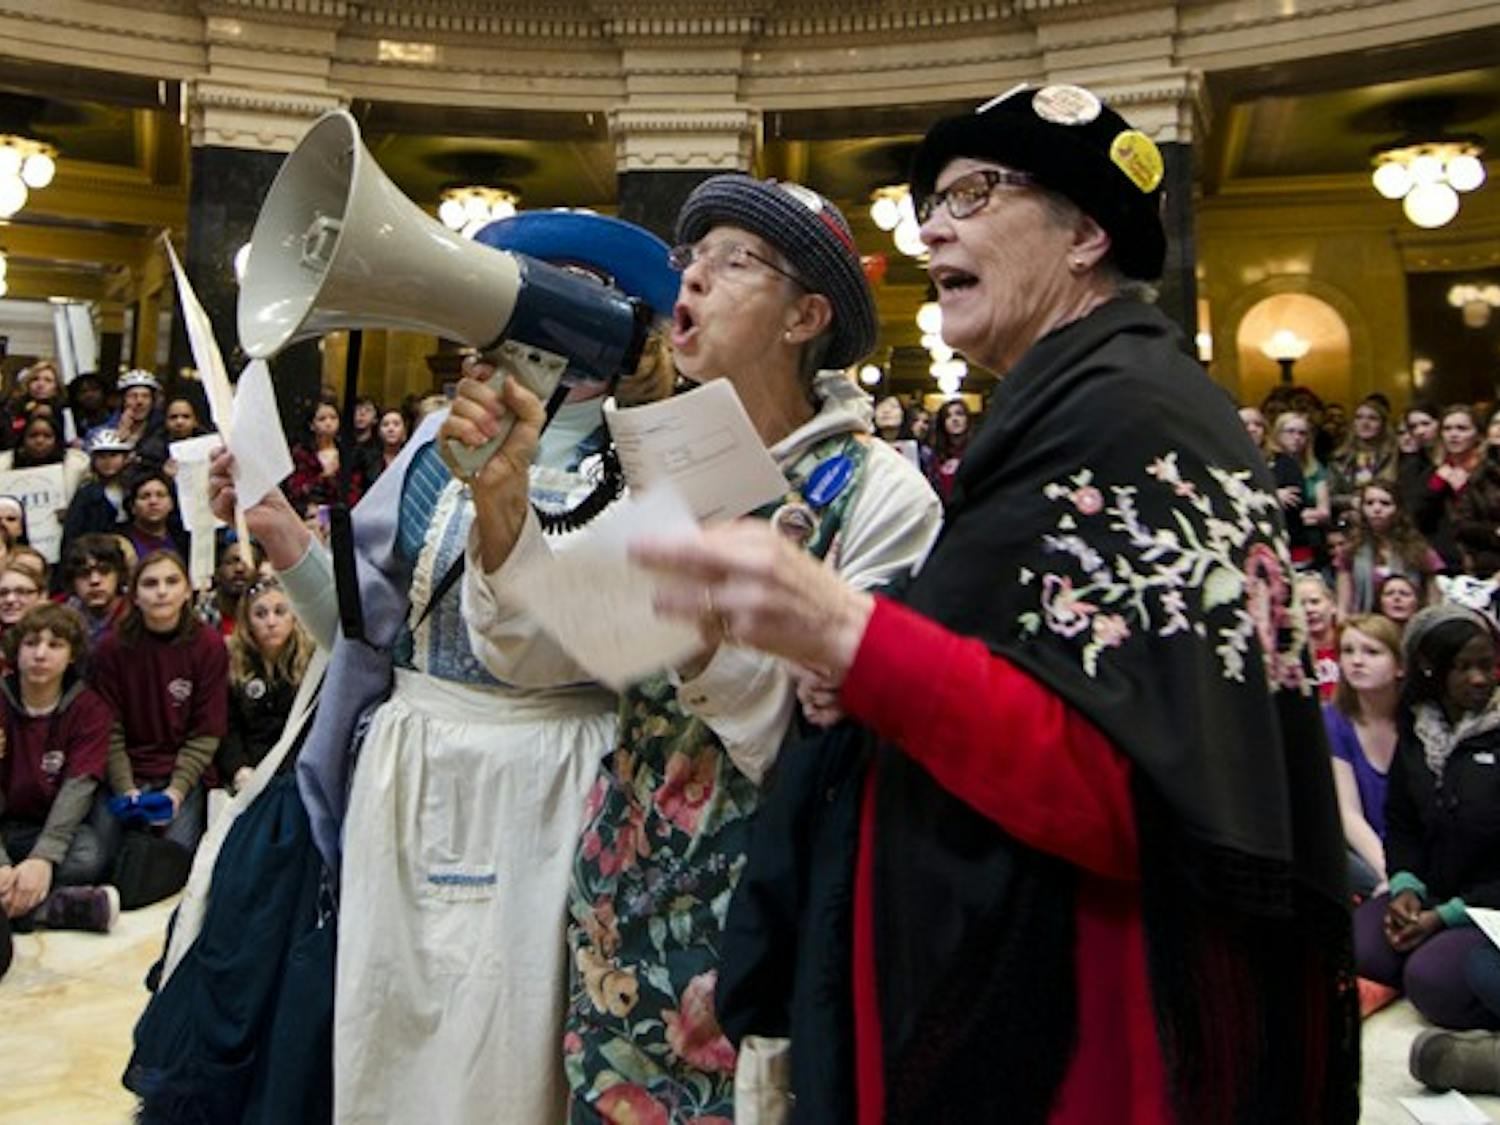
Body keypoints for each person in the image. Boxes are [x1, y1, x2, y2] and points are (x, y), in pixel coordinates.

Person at [634, 85, 1358, 1122]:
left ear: (1089, 232)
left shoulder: (1129, 424)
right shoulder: (1066, 411)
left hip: (1095, 1040)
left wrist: (848, 629)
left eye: (974, 195)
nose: (930, 225)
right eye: (932, 199)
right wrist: (864, 666)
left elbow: (1118, 791)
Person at [447, 177, 941, 1120]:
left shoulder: (881, 496)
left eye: (734, 262)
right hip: (623, 905)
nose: (693, 280)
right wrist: (504, 504)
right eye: (690, 261)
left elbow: (838, 752)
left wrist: (709, 640)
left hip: (767, 919)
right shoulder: (660, 469)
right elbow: (539, 657)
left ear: (806, 315)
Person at [197, 211, 685, 1124]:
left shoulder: (655, 463)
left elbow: (626, 648)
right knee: (396, 1018)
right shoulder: (431, 446)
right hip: (412, 769)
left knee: (508, 1035)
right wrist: (278, 531)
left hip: (551, 782)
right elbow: (363, 631)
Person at [1353, 604, 1500, 1031]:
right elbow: (1401, 824)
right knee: (1362, 949)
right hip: (1433, 892)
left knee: (1430, 981)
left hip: (1488, 906)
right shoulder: (1417, 732)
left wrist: (1448, 916)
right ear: (1431, 669)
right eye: (1462, 667)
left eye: (1486, 666)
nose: (1478, 678)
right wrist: (1405, 888)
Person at [90, 550, 228, 859]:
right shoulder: (111, 649)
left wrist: (176, 792)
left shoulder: (209, 646)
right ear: (135, 595)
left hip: (180, 774)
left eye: (171, 581)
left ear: (187, 591)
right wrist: (126, 789)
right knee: (98, 856)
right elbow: (108, 730)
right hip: (125, 772)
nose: (162, 591)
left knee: (174, 855)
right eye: (150, 583)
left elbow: (207, 732)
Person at [0, 603, 119, 936]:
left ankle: (16, 906)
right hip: (6, 825)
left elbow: (77, 788)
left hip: (54, 826)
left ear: (71, 655)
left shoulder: (90, 709)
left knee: (90, 855)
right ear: (15, 649)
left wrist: (43, 859)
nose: (40, 654)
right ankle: (53, 909)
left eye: (54, 645)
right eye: (31, 643)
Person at [1324, 613, 1402, 898]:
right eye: (1347, 651)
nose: (1356, 661)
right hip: (1363, 853)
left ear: (1400, 666)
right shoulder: (1332, 721)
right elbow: (1349, 815)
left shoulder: (1419, 719)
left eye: (1372, 652)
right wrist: (1392, 875)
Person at [216, 576, 313, 794]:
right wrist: (238, 769)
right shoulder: (231, 664)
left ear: (294, 616)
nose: (271, 622)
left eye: (280, 612)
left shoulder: (311, 665)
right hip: (248, 778)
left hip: (298, 776)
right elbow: (227, 727)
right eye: (260, 614)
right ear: (248, 620)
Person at [1335, 480, 1441, 616]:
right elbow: (1343, 607)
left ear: (1398, 509)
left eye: (1385, 503)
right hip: (1365, 624)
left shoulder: (1419, 550)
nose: (1377, 509)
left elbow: (1434, 602)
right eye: (1369, 503)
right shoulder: (1350, 550)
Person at [1417, 404, 1484, 569]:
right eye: (1447, 429)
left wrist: (1464, 490)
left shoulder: (1490, 470)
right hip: (1448, 559)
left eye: (1462, 428)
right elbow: (1417, 515)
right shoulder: (1433, 472)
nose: (1453, 434)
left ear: (1477, 434)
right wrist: (1438, 483)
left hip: (1488, 556)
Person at [285, 398, 365, 518]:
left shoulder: (349, 453)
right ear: (312, 425)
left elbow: (355, 489)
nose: (328, 423)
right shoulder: (302, 454)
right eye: (322, 419)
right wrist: (322, 477)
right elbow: (295, 490)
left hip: (341, 514)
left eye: (333, 418)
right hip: (308, 513)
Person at [60, 428, 134, 558]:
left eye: (113, 455)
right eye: (101, 456)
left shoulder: (132, 489)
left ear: (125, 458)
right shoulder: (86, 494)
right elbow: (72, 534)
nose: (107, 461)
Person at [1271, 410, 1330, 570]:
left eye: (1302, 433)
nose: (1297, 437)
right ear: (1277, 433)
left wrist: (1300, 516)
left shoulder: (1315, 467)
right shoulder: (1268, 463)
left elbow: (1324, 512)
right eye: (1290, 431)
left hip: (1308, 539)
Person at [1329, 395, 1398, 511]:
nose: (1364, 423)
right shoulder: (1340, 457)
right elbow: (1329, 496)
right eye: (1359, 418)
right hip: (1349, 519)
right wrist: (1351, 501)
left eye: (1372, 418)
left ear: (1383, 424)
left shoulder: (1394, 455)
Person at [62, 533, 130, 646]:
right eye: (83, 573)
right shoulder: (60, 616)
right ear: (72, 580)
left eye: (104, 571)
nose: (94, 581)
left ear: (119, 575)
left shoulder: (137, 617)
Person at [195, 533, 264, 637]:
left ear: (258, 573)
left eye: (248, 562)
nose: (240, 569)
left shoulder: (268, 609)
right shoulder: (202, 611)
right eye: (230, 562)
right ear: (217, 571)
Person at [119, 469, 189, 562]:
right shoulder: (120, 542)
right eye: (145, 496)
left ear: (171, 504)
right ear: (133, 507)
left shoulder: (184, 540)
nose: (153, 501)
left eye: (160, 495)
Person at [1299, 571, 1342, 702]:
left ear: (1333, 605)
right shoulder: (1292, 657)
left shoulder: (1349, 644)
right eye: (1301, 604)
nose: (1309, 610)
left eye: (1315, 601)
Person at [928, 397, 973, 505]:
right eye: (948, 416)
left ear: (967, 419)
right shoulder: (934, 456)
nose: (954, 419)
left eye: (959, 414)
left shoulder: (979, 449)